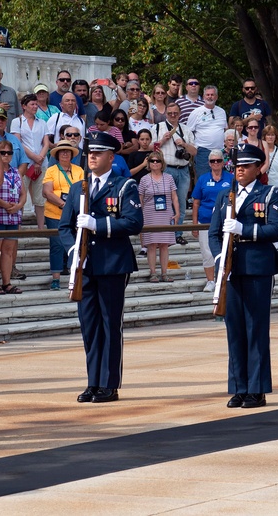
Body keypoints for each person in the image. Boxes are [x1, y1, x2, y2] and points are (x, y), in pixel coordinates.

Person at [58, 132, 143, 404]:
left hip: (113, 263)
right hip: (85, 265)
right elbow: (64, 227)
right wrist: (74, 251)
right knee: (89, 325)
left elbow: (133, 222)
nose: (92, 157)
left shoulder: (123, 186)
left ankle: (109, 383)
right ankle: (93, 382)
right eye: (90, 153)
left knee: (109, 323)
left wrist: (99, 225)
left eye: (99, 152)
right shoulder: (77, 188)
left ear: (111, 156)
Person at [208, 143, 278, 409]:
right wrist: (220, 259)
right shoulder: (225, 196)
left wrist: (245, 229)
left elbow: (277, 230)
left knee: (256, 330)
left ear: (257, 168)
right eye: (237, 166)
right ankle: (239, 388)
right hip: (230, 269)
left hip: (257, 267)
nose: (239, 170)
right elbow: (213, 233)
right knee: (235, 330)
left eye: (245, 166)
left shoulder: (269, 194)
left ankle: (257, 389)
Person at [42, 139, 84, 290]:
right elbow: (47, 192)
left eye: (68, 151)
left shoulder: (79, 170)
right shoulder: (51, 170)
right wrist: (64, 205)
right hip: (54, 213)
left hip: (75, 214)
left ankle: (75, 275)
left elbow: (83, 190)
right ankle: (56, 278)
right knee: (57, 245)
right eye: (62, 151)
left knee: (75, 244)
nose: (65, 153)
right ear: (57, 154)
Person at [153, 103, 196, 245]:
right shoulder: (158, 128)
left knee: (181, 203)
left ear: (180, 113)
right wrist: (162, 141)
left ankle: (178, 233)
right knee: (165, 202)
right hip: (166, 169)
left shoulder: (186, 129)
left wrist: (184, 144)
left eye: (175, 113)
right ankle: (166, 233)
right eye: (170, 113)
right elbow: (149, 148)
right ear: (166, 113)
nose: (172, 115)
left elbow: (194, 151)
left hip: (183, 170)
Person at [191, 149, 233, 292]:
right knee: (207, 252)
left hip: (225, 221)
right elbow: (196, 202)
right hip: (206, 221)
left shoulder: (230, 178)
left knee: (226, 250)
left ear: (223, 163)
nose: (216, 163)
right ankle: (210, 281)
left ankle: (224, 278)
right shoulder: (203, 179)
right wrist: (194, 224)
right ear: (209, 163)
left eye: (218, 160)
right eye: (213, 161)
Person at [0, 141, 25, 297]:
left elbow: (23, 193)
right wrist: (4, 204)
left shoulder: (16, 172)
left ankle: (6, 282)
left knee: (9, 251)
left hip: (13, 216)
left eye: (8, 153)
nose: (5, 155)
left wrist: (19, 205)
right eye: (2, 152)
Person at [138, 152, 179, 282]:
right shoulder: (144, 179)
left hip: (166, 212)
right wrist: (140, 215)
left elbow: (174, 196)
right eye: (152, 161)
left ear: (162, 163)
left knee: (164, 244)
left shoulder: (169, 178)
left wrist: (177, 212)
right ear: (149, 163)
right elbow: (140, 198)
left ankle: (165, 273)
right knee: (151, 245)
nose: (155, 163)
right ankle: (153, 272)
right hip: (149, 213)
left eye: (157, 161)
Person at [11, 94, 48, 229]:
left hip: (41, 163)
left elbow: (46, 143)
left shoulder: (42, 122)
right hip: (24, 163)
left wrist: (39, 160)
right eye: (32, 104)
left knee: (40, 198)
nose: (35, 107)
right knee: (21, 194)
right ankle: (18, 227)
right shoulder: (17, 121)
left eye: (36, 104)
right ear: (24, 106)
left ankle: (41, 228)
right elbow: (18, 142)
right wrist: (34, 157)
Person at [187, 84, 227, 183]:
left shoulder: (222, 112)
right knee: (203, 180)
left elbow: (225, 129)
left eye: (212, 95)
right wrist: (193, 148)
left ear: (216, 97)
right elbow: (188, 132)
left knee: (220, 179)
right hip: (202, 151)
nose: (210, 97)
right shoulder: (196, 112)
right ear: (204, 97)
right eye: (207, 95)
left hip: (220, 151)